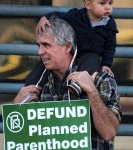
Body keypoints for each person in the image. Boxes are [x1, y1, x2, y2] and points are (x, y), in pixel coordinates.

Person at [14, 16, 122, 150]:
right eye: (39, 45)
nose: (40, 52)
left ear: (67, 47)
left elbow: (109, 132)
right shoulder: (39, 84)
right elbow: (23, 139)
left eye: (46, 45)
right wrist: (16, 109)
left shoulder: (100, 79)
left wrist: (92, 92)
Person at [35, 0, 118, 96]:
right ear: (88, 4)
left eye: (110, 3)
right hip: (74, 52)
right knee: (43, 63)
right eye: (102, 3)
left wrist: (106, 64)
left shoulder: (110, 24)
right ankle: (32, 86)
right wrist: (45, 17)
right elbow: (58, 15)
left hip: (91, 56)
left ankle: (76, 86)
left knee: (91, 62)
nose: (108, 7)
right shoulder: (76, 16)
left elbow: (110, 47)